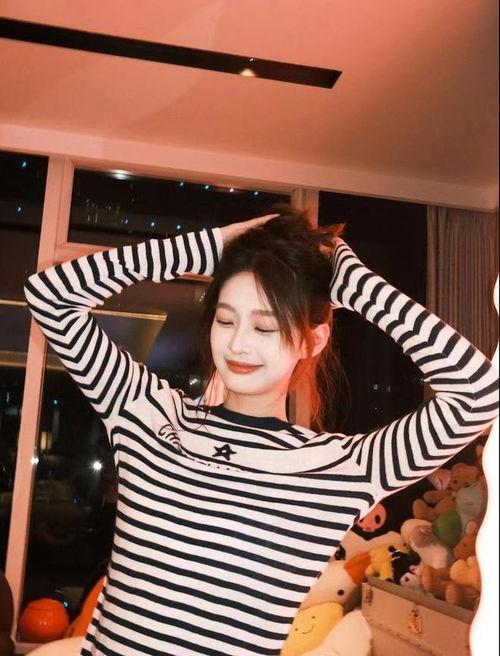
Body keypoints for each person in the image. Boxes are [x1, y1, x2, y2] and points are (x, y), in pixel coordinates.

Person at [24, 205, 498, 656]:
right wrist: (213, 248)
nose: (238, 343)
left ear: (314, 340)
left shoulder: (341, 468)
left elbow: (479, 392)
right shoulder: (148, 416)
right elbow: (51, 295)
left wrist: (351, 283)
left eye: (266, 327)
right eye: (225, 319)